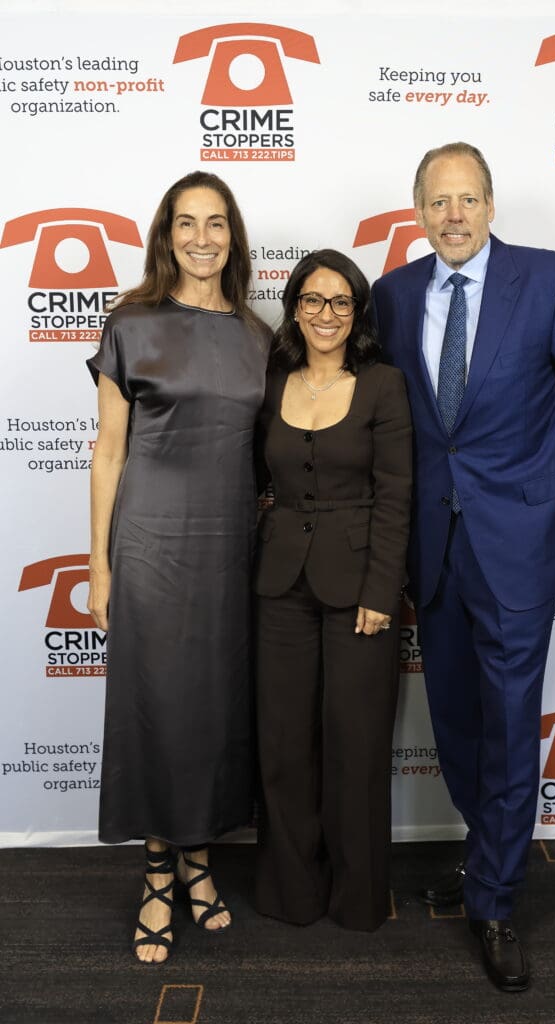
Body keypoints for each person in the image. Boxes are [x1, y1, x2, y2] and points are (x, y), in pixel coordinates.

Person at [371, 143, 555, 989]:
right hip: (433, 548)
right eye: (437, 201)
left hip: (518, 546)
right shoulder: (392, 294)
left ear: (489, 204)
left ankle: (496, 900)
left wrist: (540, 484)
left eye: (467, 199)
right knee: (456, 721)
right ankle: (489, 856)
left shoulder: (548, 280)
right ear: (418, 210)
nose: (453, 215)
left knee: (512, 724)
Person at [87, 171, 269, 964]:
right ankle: (159, 872)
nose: (201, 237)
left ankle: (198, 860)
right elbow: (108, 452)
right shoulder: (131, 324)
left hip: (230, 550)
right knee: (158, 708)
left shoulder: (259, 336)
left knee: (213, 711)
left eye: (216, 222)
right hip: (150, 545)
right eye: (186, 222)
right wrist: (97, 566)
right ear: (166, 235)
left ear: (233, 237)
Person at [253, 249, 412, 931]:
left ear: (357, 313)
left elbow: (396, 496)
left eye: (341, 301)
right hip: (278, 585)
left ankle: (358, 898)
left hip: (359, 590)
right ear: (294, 307)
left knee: (357, 744)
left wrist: (382, 590)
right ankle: (291, 890)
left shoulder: (383, 385)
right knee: (284, 744)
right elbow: (251, 478)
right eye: (313, 300)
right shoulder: (272, 382)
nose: (326, 314)